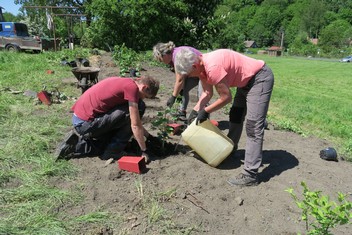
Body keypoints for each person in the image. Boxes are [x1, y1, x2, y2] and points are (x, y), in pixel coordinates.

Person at [174, 48, 274, 186]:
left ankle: (250, 174)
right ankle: (230, 149)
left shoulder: (212, 67)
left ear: (195, 66)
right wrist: (196, 110)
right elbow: (207, 93)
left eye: (190, 74)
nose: (190, 77)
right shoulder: (201, 67)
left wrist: (206, 111)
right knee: (236, 115)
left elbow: (226, 97)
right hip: (244, 82)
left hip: (259, 79)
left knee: (253, 126)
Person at [55, 75, 160, 163]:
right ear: (144, 87)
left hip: (81, 119)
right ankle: (114, 151)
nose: (143, 98)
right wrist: (144, 150)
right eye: (145, 96)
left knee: (107, 141)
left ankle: (74, 147)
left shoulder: (127, 82)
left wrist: (148, 136)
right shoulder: (132, 89)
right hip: (86, 124)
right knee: (140, 106)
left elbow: (136, 123)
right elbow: (135, 124)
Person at [153, 41, 202, 121]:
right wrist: (179, 91)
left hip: (203, 71)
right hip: (194, 72)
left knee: (202, 95)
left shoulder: (177, 55)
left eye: (160, 59)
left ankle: (203, 119)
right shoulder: (173, 57)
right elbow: (182, 78)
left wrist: (173, 97)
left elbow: (179, 79)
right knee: (184, 89)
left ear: (164, 54)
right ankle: (182, 112)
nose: (161, 62)